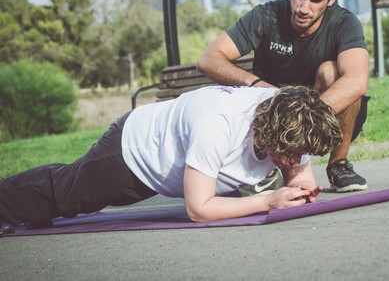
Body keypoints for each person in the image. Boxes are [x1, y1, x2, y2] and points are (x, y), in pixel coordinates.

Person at [0, 86, 342, 237]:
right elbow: (198, 209)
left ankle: (29, 208)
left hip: (166, 151)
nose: (297, 159)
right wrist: (268, 199)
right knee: (66, 194)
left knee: (64, 192)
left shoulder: (295, 115)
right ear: (269, 131)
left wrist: (301, 188)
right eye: (291, 153)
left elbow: (299, 172)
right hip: (135, 152)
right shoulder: (218, 125)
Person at [197, 0, 370, 193]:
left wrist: (302, 120)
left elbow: (357, 81)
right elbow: (208, 59)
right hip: (269, 116)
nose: (303, 8)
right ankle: (268, 172)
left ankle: (338, 165)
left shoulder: (345, 22)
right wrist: (257, 86)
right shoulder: (265, 16)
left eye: (315, 0)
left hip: (319, 115)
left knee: (333, 72)